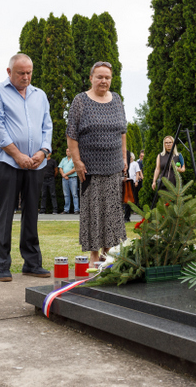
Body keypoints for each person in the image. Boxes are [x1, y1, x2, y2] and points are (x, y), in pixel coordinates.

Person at [0, 53, 53, 282]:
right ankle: (2, 265)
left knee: (32, 213)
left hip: (37, 162)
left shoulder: (40, 95)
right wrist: (18, 155)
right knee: (5, 214)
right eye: (21, 73)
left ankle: (32, 263)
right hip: (8, 162)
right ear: (9, 72)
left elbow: (47, 125)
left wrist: (44, 151)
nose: (26, 77)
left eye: (29, 72)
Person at [66, 61, 128, 265]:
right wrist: (77, 161)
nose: (103, 81)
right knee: (93, 212)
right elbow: (72, 134)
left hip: (114, 167)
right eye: (99, 77)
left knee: (112, 212)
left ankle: (108, 253)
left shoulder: (117, 100)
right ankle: (94, 255)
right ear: (91, 78)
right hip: (89, 168)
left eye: (107, 77)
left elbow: (123, 132)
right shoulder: (80, 101)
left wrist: (124, 158)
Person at [58, 148, 79, 215]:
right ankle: (66, 210)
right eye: (67, 151)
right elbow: (60, 168)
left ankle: (76, 209)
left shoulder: (74, 159)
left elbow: (74, 169)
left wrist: (65, 174)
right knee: (66, 195)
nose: (68, 152)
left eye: (69, 151)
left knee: (74, 194)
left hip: (73, 178)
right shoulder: (63, 159)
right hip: (64, 179)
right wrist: (63, 175)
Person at [126, 151, 143, 222]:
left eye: (130, 157)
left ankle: (132, 211)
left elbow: (137, 173)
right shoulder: (126, 163)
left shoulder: (135, 164)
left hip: (132, 182)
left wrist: (136, 181)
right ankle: (127, 214)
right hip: (126, 181)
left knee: (133, 197)